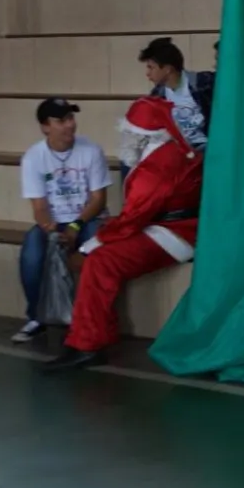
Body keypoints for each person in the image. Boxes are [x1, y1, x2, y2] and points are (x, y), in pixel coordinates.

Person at [39, 97, 203, 373]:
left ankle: (87, 345)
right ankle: (94, 335)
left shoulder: (157, 166)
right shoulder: (168, 151)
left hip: (175, 233)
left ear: (142, 134)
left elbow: (132, 219)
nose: (125, 137)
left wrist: (88, 247)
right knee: (103, 252)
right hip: (172, 226)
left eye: (128, 132)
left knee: (101, 261)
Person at [13, 98, 112, 343]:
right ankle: (36, 317)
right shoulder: (33, 157)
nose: (70, 125)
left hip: (88, 219)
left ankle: (91, 320)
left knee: (96, 250)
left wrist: (76, 225)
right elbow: (39, 207)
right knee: (32, 252)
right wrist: (51, 228)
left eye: (71, 118)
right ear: (45, 127)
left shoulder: (91, 150)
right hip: (55, 222)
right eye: (61, 120)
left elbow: (98, 200)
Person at [140, 37, 214, 151]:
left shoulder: (202, 83)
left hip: (206, 147)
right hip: (178, 149)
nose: (147, 73)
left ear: (167, 69)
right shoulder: (157, 95)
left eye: (151, 68)